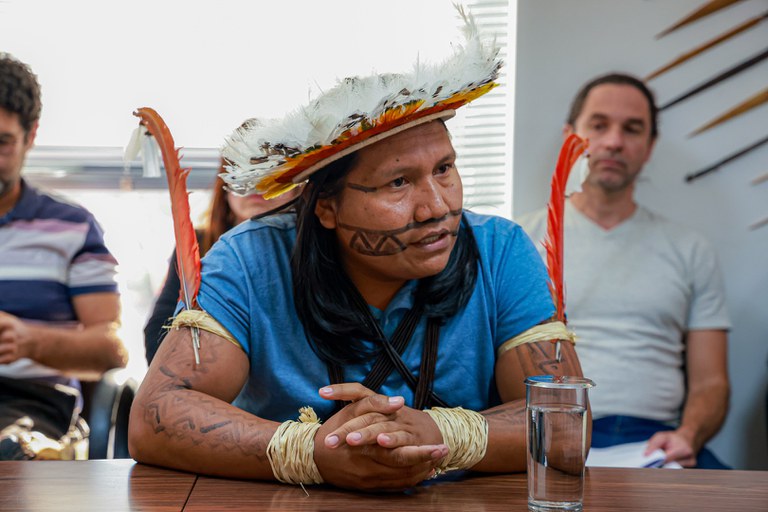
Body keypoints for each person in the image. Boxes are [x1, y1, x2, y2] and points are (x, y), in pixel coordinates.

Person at [128, 15, 586, 491]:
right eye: (399, 182)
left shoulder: (501, 251)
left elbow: (567, 428)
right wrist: (311, 453)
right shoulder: (250, 261)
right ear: (325, 206)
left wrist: (441, 433)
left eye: (445, 168)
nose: (438, 206)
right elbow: (156, 416)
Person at [519, 73, 731, 469]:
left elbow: (711, 382)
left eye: (632, 129)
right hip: (546, 434)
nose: (614, 141)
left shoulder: (691, 249)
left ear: (650, 147)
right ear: (571, 135)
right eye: (598, 125)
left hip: (656, 442)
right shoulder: (518, 242)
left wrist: (688, 436)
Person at [0, 53, 127, 459]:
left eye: (1, 142)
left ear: (30, 135)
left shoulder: (72, 227)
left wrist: (29, 341)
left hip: (32, 405)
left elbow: (110, 350)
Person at [143, 170, 300, 364]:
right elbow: (158, 332)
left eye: (273, 171)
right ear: (225, 184)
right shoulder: (195, 244)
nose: (257, 183)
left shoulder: (309, 251)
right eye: (242, 171)